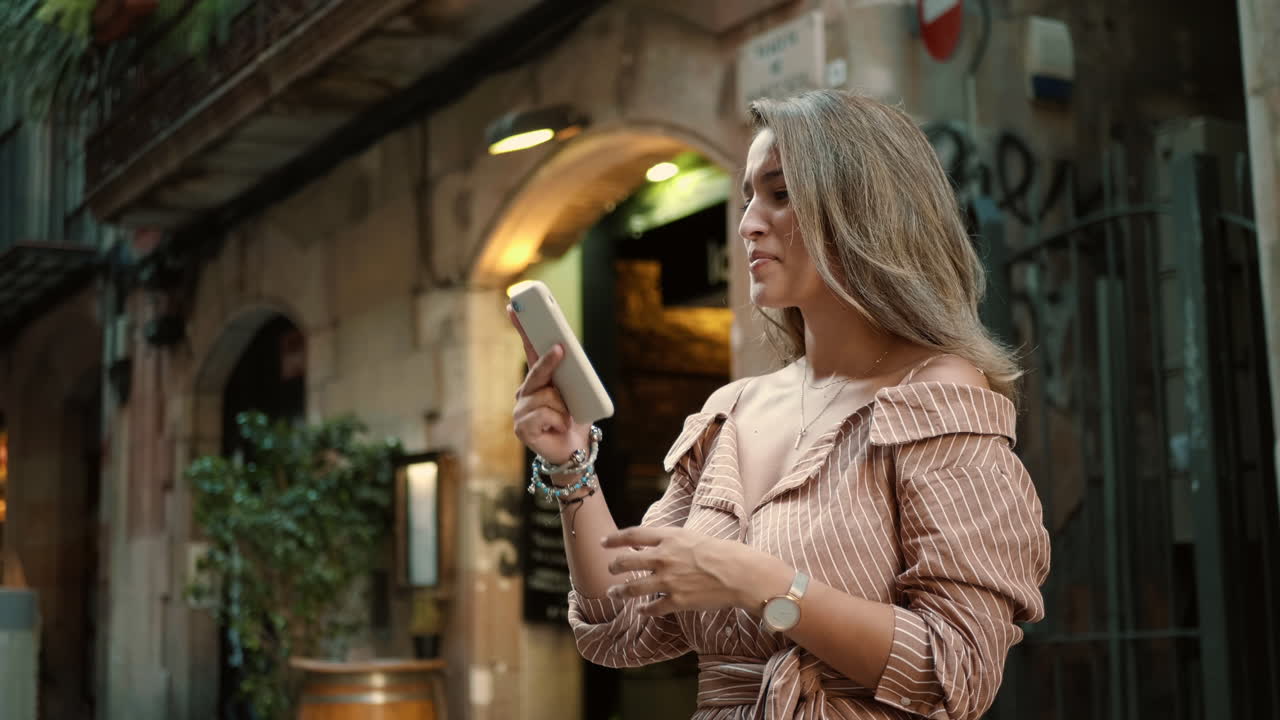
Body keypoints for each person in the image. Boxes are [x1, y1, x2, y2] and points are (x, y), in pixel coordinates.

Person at [509, 90, 1050, 720]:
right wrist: (571, 466)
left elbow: (957, 668)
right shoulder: (732, 411)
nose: (748, 223)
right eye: (747, 198)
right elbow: (621, 627)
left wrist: (764, 584)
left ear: (862, 207)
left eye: (781, 194)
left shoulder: (937, 394)